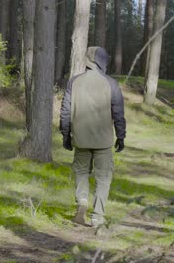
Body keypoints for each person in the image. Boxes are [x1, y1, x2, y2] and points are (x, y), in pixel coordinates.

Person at [59, 47, 126, 227]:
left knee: (81, 172)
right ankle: (97, 216)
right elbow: (118, 112)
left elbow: (65, 110)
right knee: (103, 177)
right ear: (101, 61)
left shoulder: (74, 82)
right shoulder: (110, 83)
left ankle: (82, 202)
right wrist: (121, 136)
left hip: (81, 139)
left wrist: (65, 135)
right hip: (103, 141)